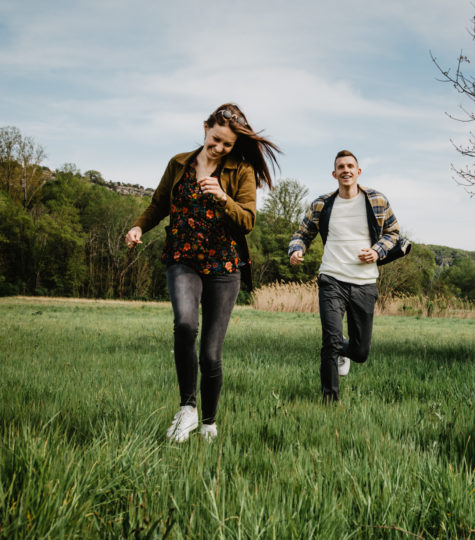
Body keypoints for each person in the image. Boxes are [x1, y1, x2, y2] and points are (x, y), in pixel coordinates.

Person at [125, 103, 280, 442]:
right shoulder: (179, 163)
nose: (220, 147)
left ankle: (209, 422)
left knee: (210, 353)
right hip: (182, 258)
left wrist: (223, 198)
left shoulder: (240, 171)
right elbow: (159, 204)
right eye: (216, 139)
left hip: (224, 266)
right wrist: (138, 227)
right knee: (184, 324)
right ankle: (187, 409)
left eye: (227, 144)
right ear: (206, 127)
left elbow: (248, 221)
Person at [288, 150, 410, 402]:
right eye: (341, 167)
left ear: (358, 171)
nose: (346, 170)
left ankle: (346, 350)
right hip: (331, 279)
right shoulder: (321, 204)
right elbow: (303, 232)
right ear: (334, 174)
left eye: (350, 166)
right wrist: (296, 248)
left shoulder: (376, 199)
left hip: (364, 282)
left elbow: (393, 232)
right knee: (329, 342)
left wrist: (377, 251)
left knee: (361, 351)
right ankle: (329, 402)